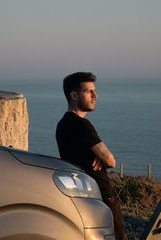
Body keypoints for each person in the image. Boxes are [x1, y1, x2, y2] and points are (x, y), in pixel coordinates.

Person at [56, 72, 126, 240]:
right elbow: (111, 161)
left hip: (82, 194)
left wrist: (97, 159)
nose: (95, 95)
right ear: (74, 95)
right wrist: (102, 160)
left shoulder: (62, 124)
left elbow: (76, 157)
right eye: (89, 91)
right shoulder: (81, 125)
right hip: (102, 194)